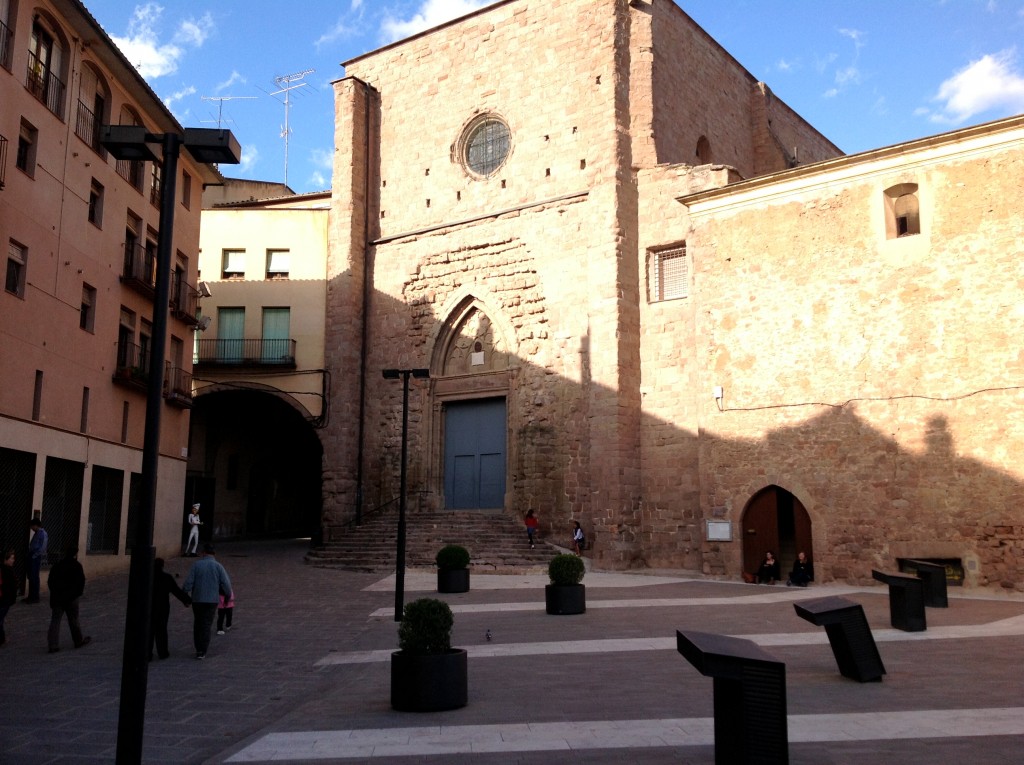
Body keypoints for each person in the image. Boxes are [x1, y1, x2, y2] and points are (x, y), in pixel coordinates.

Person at [183, 543, 232, 660]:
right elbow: (226, 584)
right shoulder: (218, 566)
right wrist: (227, 596)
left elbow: (188, 583)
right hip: (211, 600)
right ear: (214, 554)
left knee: (198, 623)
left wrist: (185, 595)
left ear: (203, 552)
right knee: (206, 624)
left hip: (198, 599)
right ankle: (203, 650)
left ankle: (198, 648)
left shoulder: (196, 565)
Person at [47, 547, 91, 653]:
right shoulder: (76, 566)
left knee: (55, 621)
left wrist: (55, 593)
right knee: (73, 620)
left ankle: (53, 645)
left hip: (58, 597)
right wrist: (77, 594)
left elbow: (50, 582)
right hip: (71, 598)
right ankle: (78, 641)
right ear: (75, 554)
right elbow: (81, 582)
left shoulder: (57, 566)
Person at [150, 558, 191, 660]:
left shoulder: (147, 576)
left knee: (148, 630)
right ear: (162, 566)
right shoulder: (166, 577)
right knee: (161, 630)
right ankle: (163, 652)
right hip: (162, 607)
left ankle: (147, 653)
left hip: (148, 607)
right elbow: (176, 590)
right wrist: (187, 600)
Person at [24, 518, 47, 603]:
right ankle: (31, 596)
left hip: (35, 557)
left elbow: (42, 547)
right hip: (32, 556)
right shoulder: (37, 533)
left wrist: (34, 555)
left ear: (36, 525)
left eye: (32, 526)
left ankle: (35, 597)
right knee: (31, 576)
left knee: (34, 577)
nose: (31, 528)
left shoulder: (43, 534)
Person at [0, 550, 17, 645]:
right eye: (11, 558)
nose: (13, 560)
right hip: (5, 599)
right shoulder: (8, 571)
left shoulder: (7, 570)